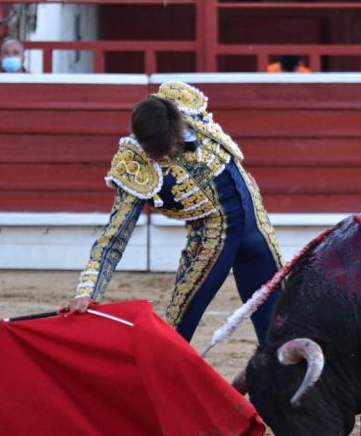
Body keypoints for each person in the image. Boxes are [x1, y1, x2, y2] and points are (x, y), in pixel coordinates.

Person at [68, 82, 284, 345]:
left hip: (256, 224)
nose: (169, 153)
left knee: (280, 323)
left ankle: (286, 383)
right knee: (175, 333)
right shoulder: (134, 164)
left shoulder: (186, 104)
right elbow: (113, 237)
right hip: (211, 241)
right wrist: (87, 290)